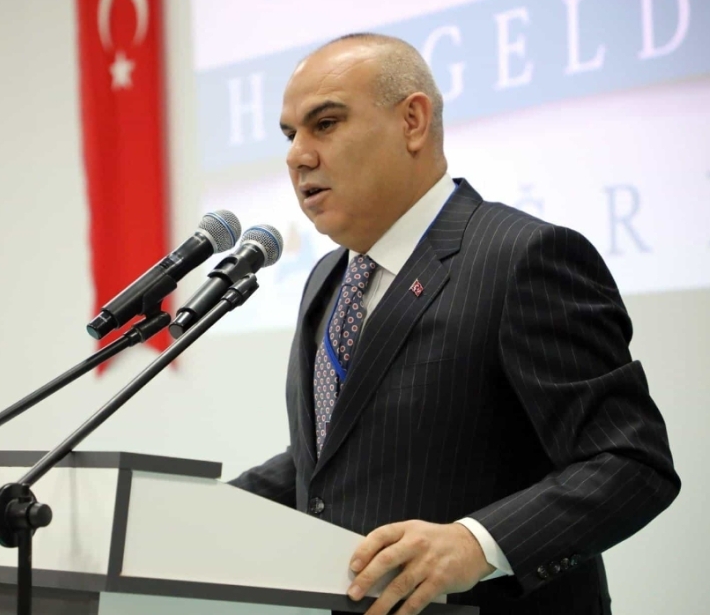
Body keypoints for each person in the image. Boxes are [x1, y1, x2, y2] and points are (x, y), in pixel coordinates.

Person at [229, 33, 680, 615]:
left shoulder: (522, 257)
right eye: (290, 135)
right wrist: (199, 512)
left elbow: (630, 461)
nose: (298, 156)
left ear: (412, 121)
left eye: (326, 124)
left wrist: (477, 543)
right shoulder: (327, 278)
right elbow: (339, 461)